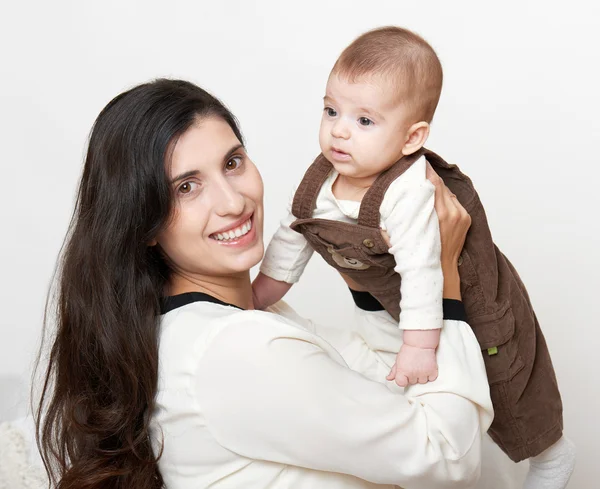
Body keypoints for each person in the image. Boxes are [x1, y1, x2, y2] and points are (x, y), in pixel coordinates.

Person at [35, 78, 492, 489]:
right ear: (145, 222)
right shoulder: (235, 349)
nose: (234, 202)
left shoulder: (234, 321)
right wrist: (443, 275)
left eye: (232, 162)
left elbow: (392, 377)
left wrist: (364, 270)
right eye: (186, 188)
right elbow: (448, 458)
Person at [252, 26, 575, 488]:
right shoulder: (319, 182)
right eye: (331, 110)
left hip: (466, 297)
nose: (339, 129)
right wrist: (261, 292)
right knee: (421, 399)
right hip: (394, 312)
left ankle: (549, 455)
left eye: (365, 121)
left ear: (411, 138)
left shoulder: (408, 190)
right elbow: (291, 236)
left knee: (502, 376)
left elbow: (425, 268)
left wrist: (420, 345)